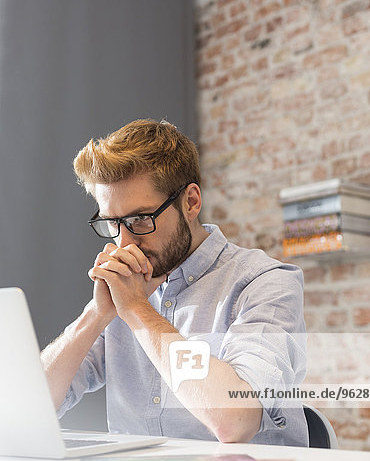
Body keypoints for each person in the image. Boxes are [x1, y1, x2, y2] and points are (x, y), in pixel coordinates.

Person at [41, 119, 308, 446]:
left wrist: (138, 311)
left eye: (140, 219)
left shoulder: (266, 283)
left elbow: (236, 421)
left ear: (191, 202)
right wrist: (96, 315)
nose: (124, 242)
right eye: (112, 222)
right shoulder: (123, 291)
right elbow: (31, 405)